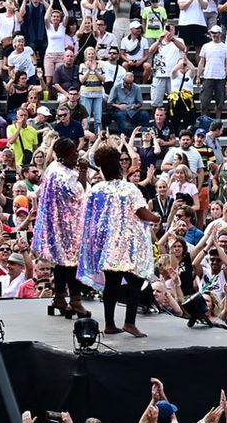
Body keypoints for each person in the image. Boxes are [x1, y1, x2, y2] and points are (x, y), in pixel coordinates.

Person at [78, 139, 155, 337]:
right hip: (127, 247)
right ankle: (129, 322)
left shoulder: (96, 189)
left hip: (106, 246)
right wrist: (157, 217)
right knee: (136, 280)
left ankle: (110, 324)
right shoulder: (129, 189)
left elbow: (88, 216)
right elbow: (142, 213)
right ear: (119, 165)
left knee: (111, 284)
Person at [30, 133, 89, 319]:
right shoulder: (61, 174)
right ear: (63, 155)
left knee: (63, 263)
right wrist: (83, 172)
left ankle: (59, 297)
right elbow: (80, 192)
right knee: (72, 263)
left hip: (59, 224)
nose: (77, 156)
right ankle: (75, 300)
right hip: (67, 226)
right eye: (73, 153)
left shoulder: (54, 168)